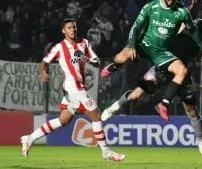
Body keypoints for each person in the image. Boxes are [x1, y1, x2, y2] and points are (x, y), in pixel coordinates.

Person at [101, 0, 202, 167]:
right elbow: (176, 30)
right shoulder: (193, 20)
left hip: (182, 69)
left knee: (191, 111)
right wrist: (186, 10)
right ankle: (115, 106)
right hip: (164, 62)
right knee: (137, 94)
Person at [100, 0, 202, 121]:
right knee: (121, 58)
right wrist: (133, 46)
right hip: (144, 45)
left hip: (161, 53)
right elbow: (135, 27)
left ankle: (163, 104)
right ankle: (114, 66)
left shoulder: (182, 12)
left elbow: (193, 32)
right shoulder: (151, 7)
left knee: (182, 71)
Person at [19, 18, 125, 162]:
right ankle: (106, 152)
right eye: (69, 27)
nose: (73, 30)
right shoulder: (59, 48)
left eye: (74, 27)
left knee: (64, 119)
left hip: (78, 87)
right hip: (72, 88)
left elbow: (96, 61)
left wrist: (93, 61)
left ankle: (29, 138)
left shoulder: (84, 43)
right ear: (63, 30)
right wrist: (42, 73)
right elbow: (44, 61)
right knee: (96, 116)